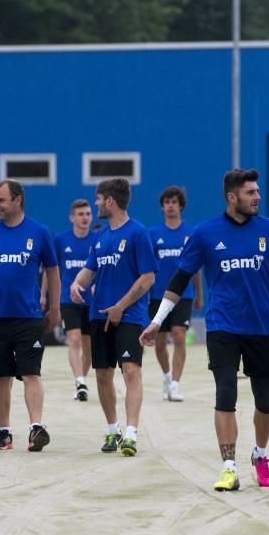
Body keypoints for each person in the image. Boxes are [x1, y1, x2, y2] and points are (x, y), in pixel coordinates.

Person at [140, 169, 269, 491]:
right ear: (232, 197)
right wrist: (156, 321)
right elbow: (178, 281)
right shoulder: (205, 233)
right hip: (223, 325)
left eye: (257, 191)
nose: (257, 197)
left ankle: (260, 456)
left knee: (266, 401)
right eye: (250, 193)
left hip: (263, 326)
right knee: (225, 393)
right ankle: (229, 467)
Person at [0, 179, 59, 451]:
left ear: (18, 200)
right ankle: (4, 431)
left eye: (1, 200)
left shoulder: (39, 232)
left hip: (28, 317)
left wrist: (55, 307)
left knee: (31, 373)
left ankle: (35, 428)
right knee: (0, 375)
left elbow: (52, 271)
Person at [70, 178, 156, 457]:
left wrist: (121, 305)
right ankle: (112, 429)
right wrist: (76, 283)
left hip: (130, 315)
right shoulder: (102, 236)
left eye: (97, 199)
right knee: (103, 374)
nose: (94, 204)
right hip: (99, 315)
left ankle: (131, 434)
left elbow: (148, 276)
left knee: (131, 370)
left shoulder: (137, 233)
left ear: (109, 201)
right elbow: (90, 269)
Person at [148, 185, 203, 403]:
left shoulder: (191, 233)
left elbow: (196, 268)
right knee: (160, 341)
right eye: (167, 202)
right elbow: (147, 268)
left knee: (179, 336)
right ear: (162, 207)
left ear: (181, 205)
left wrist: (199, 295)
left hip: (184, 294)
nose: (170, 206)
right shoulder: (152, 234)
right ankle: (167, 377)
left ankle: (176, 385)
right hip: (157, 296)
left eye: (174, 202)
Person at [53, 199, 97, 402]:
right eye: (81, 214)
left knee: (88, 346)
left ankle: (82, 381)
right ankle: (80, 380)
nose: (85, 218)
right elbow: (51, 271)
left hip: (92, 301)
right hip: (68, 299)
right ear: (72, 217)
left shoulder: (98, 240)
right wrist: (47, 295)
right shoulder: (60, 240)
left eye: (88, 214)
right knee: (74, 340)